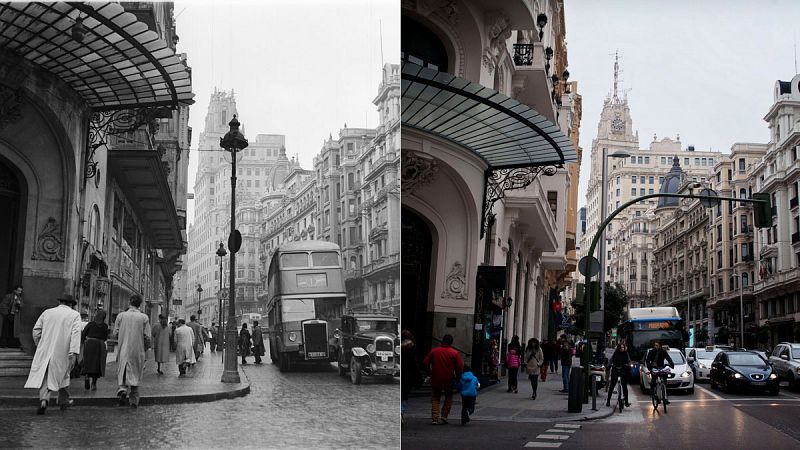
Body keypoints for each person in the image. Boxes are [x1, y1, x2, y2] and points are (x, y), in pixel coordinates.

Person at [24, 294, 81, 414]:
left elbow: (36, 330)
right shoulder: (74, 315)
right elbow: (76, 334)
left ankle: (44, 399)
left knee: (46, 375)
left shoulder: (47, 312)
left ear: (60, 302)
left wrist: (40, 344)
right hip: (63, 351)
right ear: (72, 304)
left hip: (45, 349)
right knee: (64, 375)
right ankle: (63, 400)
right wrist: (74, 351)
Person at [113, 294, 151, 408]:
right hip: (137, 349)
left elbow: (115, 333)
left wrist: (121, 339)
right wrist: (144, 348)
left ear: (129, 302)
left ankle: (123, 389)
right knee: (135, 373)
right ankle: (134, 399)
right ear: (140, 304)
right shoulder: (144, 318)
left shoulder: (121, 316)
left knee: (123, 369)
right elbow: (147, 337)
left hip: (124, 348)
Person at [422, 334, 464, 425]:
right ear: (451, 343)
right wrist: (458, 378)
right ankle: (444, 415)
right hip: (449, 379)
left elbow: (425, 362)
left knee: (435, 398)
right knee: (449, 397)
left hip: (436, 378)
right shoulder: (454, 353)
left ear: (442, 341)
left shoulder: (434, 351)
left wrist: (429, 372)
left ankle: (435, 418)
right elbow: (459, 367)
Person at [80, 309, 109, 391]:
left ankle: (86, 377)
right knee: (97, 365)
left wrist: (82, 343)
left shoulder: (90, 324)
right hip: (99, 345)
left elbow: (84, 334)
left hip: (89, 345)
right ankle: (94, 383)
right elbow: (105, 337)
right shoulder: (105, 326)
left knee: (88, 362)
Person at [400, 329, 421, 425]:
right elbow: (414, 364)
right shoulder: (413, 348)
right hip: (408, 375)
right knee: (404, 396)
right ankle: (401, 412)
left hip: (401, 372)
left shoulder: (399, 346)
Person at [606, 343, 631, 407]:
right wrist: (608, 366)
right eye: (621, 347)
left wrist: (628, 365)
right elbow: (610, 360)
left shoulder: (626, 354)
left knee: (624, 387)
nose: (622, 349)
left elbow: (629, 361)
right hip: (615, 370)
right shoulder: (615, 353)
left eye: (623, 347)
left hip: (623, 371)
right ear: (619, 348)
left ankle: (626, 402)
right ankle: (608, 401)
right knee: (612, 386)